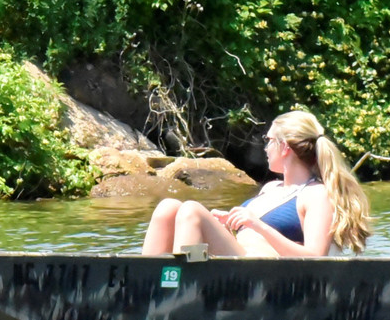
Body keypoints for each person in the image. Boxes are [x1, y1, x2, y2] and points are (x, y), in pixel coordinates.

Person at [141, 110, 372, 257]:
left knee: (192, 211)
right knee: (168, 207)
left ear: (284, 147)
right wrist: (227, 224)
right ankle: (145, 288)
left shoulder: (316, 194)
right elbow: (247, 239)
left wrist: (257, 225)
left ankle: (183, 294)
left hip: (265, 275)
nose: (265, 148)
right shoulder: (271, 188)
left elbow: (314, 257)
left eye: (269, 141)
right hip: (241, 259)